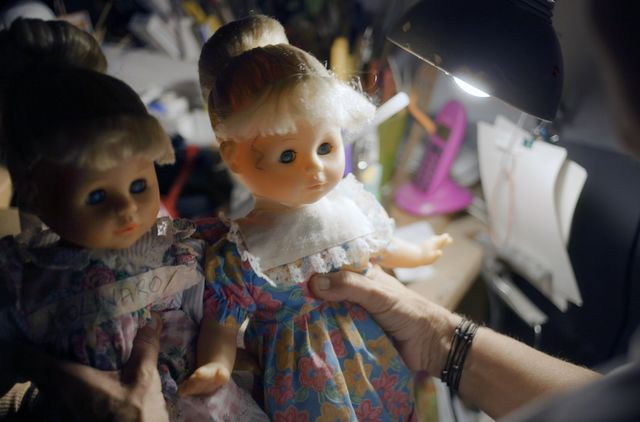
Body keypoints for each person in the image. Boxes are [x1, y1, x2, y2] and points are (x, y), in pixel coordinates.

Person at [187, 14, 451, 421]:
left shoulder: (348, 204)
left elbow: (377, 246)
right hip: (305, 388)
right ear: (234, 156)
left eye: (326, 147)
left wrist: (417, 253)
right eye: (287, 156)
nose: (315, 167)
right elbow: (221, 325)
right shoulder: (244, 252)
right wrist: (216, 365)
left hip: (378, 362)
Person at [0, 18, 267, 421]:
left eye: (139, 185)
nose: (126, 209)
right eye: (96, 196)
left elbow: (220, 306)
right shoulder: (30, 281)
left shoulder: (171, 248)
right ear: (35, 195)